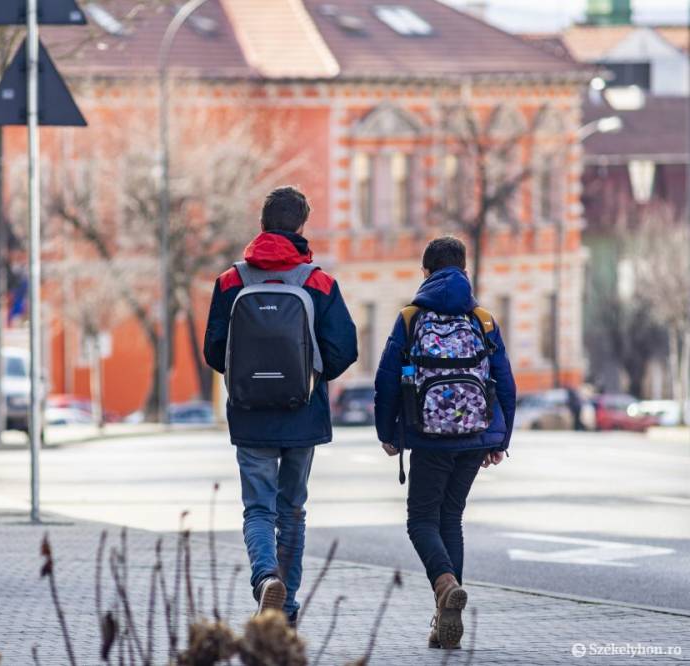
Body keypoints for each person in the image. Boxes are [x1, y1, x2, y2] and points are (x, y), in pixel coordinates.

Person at [203, 186, 358, 624]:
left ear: (262, 224)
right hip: (302, 413)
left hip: (250, 414)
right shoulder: (318, 281)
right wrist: (310, 374)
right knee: (292, 510)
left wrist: (248, 379)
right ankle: (285, 609)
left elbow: (215, 351)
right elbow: (345, 348)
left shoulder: (230, 281)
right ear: (302, 227)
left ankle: (265, 577)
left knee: (257, 509)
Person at [374, 236, 516, 649]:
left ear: (425, 273)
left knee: (421, 520)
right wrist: (500, 438)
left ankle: (444, 586)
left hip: (428, 435)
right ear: (465, 272)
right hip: (474, 435)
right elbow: (504, 383)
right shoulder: (483, 319)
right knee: (451, 518)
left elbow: (386, 380)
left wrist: (388, 434)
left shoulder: (410, 318)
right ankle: (444, 617)